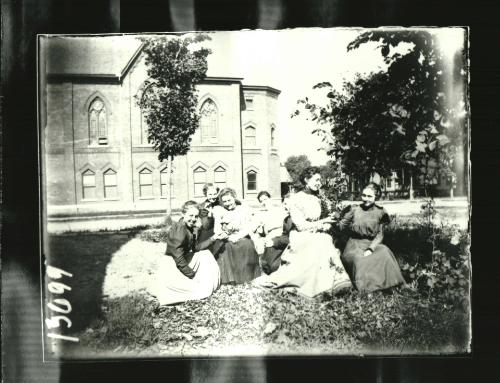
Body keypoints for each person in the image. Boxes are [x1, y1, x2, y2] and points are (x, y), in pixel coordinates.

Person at [254, 167, 352, 297]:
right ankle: (321, 286)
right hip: (300, 235)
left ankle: (335, 282)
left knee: (325, 240)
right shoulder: (296, 199)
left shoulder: (319, 197)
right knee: (322, 241)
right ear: (306, 180)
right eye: (316, 180)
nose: (319, 183)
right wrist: (322, 224)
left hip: (316, 232)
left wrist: (329, 220)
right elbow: (300, 225)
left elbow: (321, 218)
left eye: (320, 180)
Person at [148, 201, 227, 305]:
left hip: (182, 261)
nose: (193, 219)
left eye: (196, 216)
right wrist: (192, 276)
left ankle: (206, 283)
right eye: (190, 215)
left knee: (205, 255)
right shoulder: (179, 229)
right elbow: (178, 259)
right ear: (183, 214)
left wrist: (213, 238)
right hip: (172, 266)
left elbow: (195, 248)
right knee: (200, 289)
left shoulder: (190, 227)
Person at [334, 182, 405, 293]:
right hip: (354, 244)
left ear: (376, 197)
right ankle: (367, 289)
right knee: (359, 259)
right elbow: (341, 227)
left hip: (372, 243)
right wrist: (338, 216)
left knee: (385, 252)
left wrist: (371, 248)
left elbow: (380, 234)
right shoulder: (354, 209)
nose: (366, 199)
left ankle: (390, 285)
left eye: (369, 196)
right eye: (364, 195)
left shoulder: (381, 212)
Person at [213, 188, 262, 284]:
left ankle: (247, 276)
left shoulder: (243, 209)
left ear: (234, 198)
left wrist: (238, 236)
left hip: (242, 236)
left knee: (246, 245)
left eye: (229, 200)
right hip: (227, 239)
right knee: (225, 247)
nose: (227, 203)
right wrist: (225, 234)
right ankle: (231, 278)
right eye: (224, 201)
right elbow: (217, 230)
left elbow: (250, 226)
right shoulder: (220, 211)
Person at [259, 193, 295, 275]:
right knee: (268, 263)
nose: (264, 202)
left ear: (270, 199)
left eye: (265, 199)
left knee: (274, 265)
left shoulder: (282, 212)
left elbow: (290, 236)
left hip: (283, 239)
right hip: (278, 238)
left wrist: (274, 240)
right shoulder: (260, 213)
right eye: (261, 201)